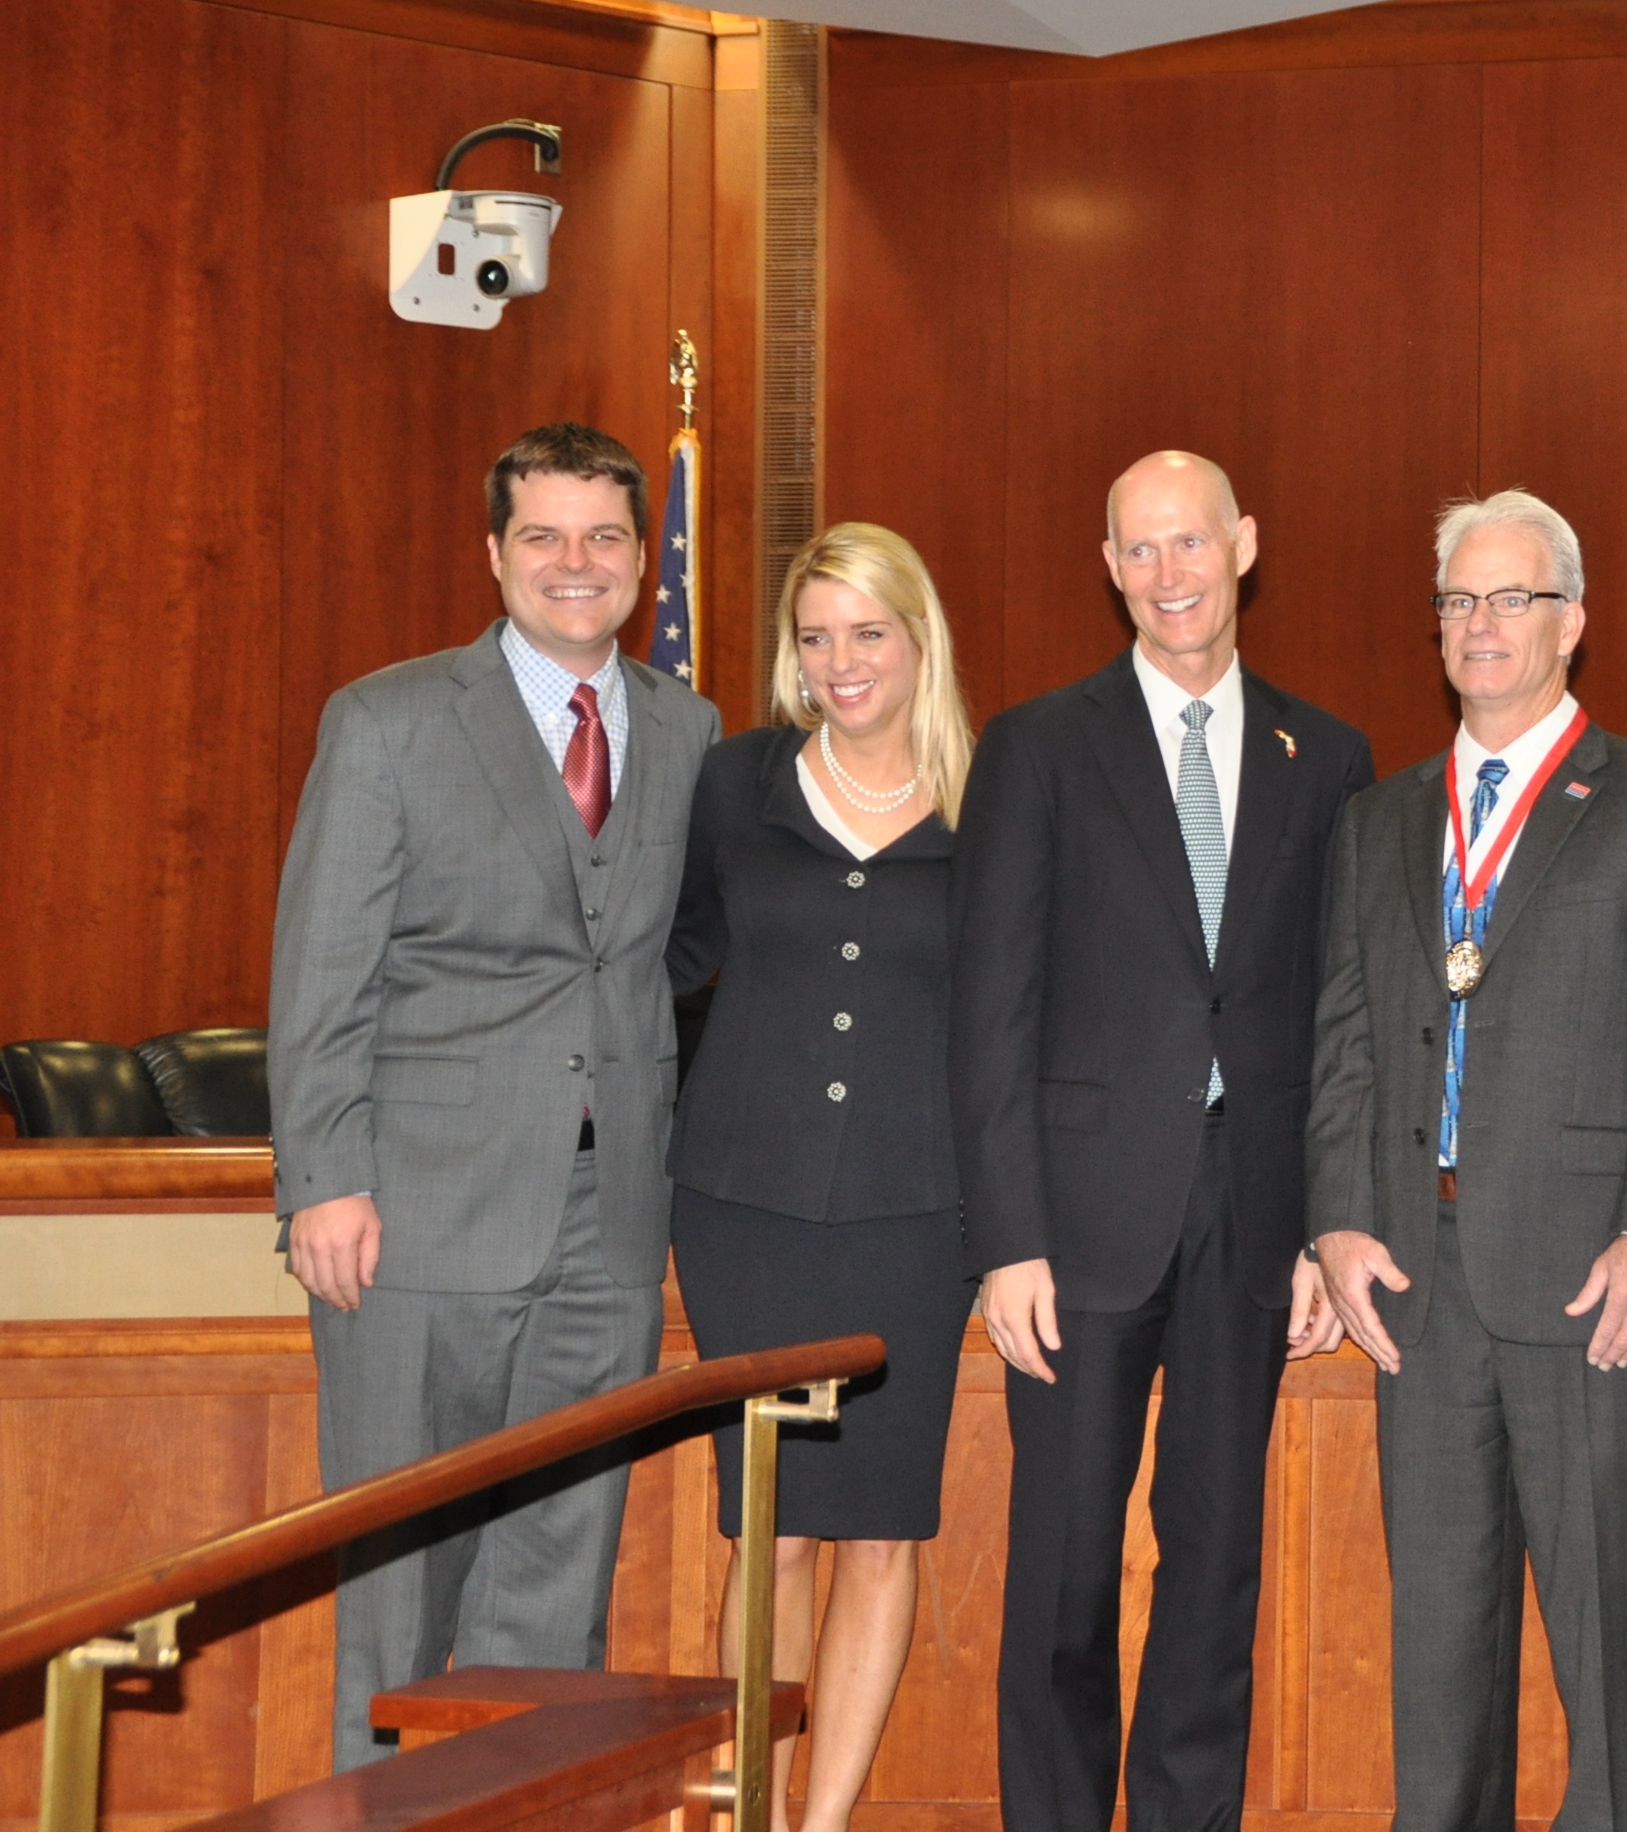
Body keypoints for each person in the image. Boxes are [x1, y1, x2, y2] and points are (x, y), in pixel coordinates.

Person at [269, 423, 721, 1769]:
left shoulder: (693, 728)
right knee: (399, 1596)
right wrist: (324, 1182)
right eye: (543, 537)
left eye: (602, 538)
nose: (573, 564)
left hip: (610, 1229)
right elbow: (321, 972)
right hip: (413, 1223)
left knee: (556, 1597)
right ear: (494, 554)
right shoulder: (390, 721)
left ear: (643, 560)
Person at [952, 452, 1374, 1832]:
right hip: (1074, 1229)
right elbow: (992, 1011)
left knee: (1215, 1570)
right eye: (1142, 550)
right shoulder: (1039, 745)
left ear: (1244, 544)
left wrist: (1322, 1221)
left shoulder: (1331, 757)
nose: (1171, 573)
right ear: (1110, 563)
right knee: (1066, 1573)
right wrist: (1007, 1237)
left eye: (1192, 543)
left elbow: (1337, 1018)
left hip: (1251, 1223)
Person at [1305, 490, 1627, 1832]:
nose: (1482, 627)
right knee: (1438, 1674)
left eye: (1513, 600)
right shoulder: (1377, 821)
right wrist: (1338, 1221)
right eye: (1459, 602)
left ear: (1574, 623)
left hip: (1589, 1293)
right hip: (1417, 1298)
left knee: (1611, 1676)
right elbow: (1346, 1042)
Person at [667, 524, 974, 1832]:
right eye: (815, 635)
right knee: (771, 1531)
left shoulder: (997, 798)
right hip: (745, 1209)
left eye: (867, 633)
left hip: (919, 1216)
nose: (840, 662)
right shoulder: (733, 781)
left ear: (918, 642)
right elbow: (670, 963)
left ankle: (820, 1818)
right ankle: (749, 1811)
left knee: (883, 1532)